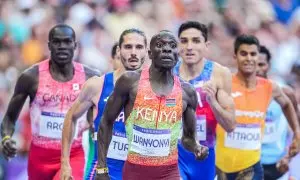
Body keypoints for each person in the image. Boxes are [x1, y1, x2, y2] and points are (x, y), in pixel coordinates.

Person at [95, 30, 209, 180]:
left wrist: (196, 147)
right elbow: (106, 122)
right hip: (135, 172)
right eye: (160, 45)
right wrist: (102, 168)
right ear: (150, 53)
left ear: (178, 53)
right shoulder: (130, 82)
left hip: (169, 173)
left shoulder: (187, 92)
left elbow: (188, 139)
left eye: (172, 45)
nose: (167, 49)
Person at [0, 24, 99, 180]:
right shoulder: (31, 77)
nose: (62, 46)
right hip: (39, 159)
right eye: (57, 42)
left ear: (75, 45)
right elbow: (9, 119)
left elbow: (102, 117)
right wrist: (6, 138)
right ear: (49, 45)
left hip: (74, 155)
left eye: (67, 42)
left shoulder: (91, 78)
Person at [60, 28, 148, 180]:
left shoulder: (155, 90)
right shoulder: (97, 85)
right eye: (128, 47)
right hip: (104, 171)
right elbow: (71, 116)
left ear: (146, 52)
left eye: (139, 47)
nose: (133, 52)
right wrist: (65, 163)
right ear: (119, 51)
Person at [215, 34, 300, 180]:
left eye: (255, 56)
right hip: (231, 162)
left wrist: (296, 134)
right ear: (236, 56)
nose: (251, 60)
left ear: (268, 65)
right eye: (244, 54)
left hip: (268, 163)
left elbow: (287, 106)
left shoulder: (275, 89)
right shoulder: (224, 84)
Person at [174, 21, 235, 180]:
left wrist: (213, 102)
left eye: (195, 41)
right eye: (184, 41)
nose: (189, 47)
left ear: (206, 45)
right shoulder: (167, 73)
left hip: (205, 154)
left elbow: (230, 125)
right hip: (174, 154)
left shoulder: (219, 74)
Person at [257, 45, 300, 180]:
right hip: (248, 163)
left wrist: (289, 156)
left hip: (276, 165)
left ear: (269, 66)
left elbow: (297, 129)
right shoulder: (236, 94)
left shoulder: (285, 93)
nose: (257, 69)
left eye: (261, 64)